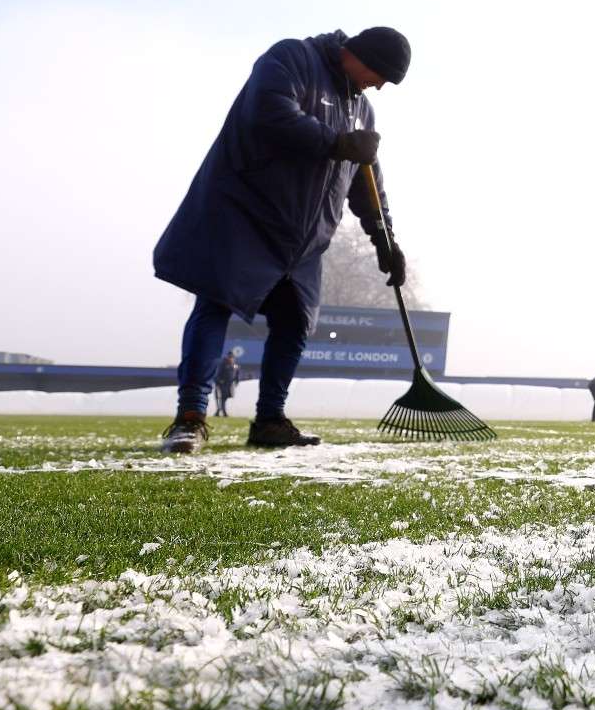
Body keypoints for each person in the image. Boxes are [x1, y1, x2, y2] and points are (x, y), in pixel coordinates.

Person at [152, 27, 413, 454]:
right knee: (215, 304)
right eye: (379, 73)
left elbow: (367, 184)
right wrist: (336, 142)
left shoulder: (362, 112)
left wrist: (385, 240)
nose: (379, 85)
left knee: (295, 324)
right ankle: (191, 418)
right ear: (357, 53)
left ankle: (270, 420)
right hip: (245, 217)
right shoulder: (294, 59)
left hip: (304, 241)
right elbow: (270, 113)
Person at [214, 352, 241, 417]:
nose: (231, 359)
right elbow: (217, 374)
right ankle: (223, 412)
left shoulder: (235, 366)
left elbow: (236, 375)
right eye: (230, 357)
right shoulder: (223, 364)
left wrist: (237, 381)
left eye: (232, 357)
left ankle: (218, 411)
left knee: (224, 398)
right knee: (222, 398)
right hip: (222, 384)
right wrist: (219, 381)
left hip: (230, 384)